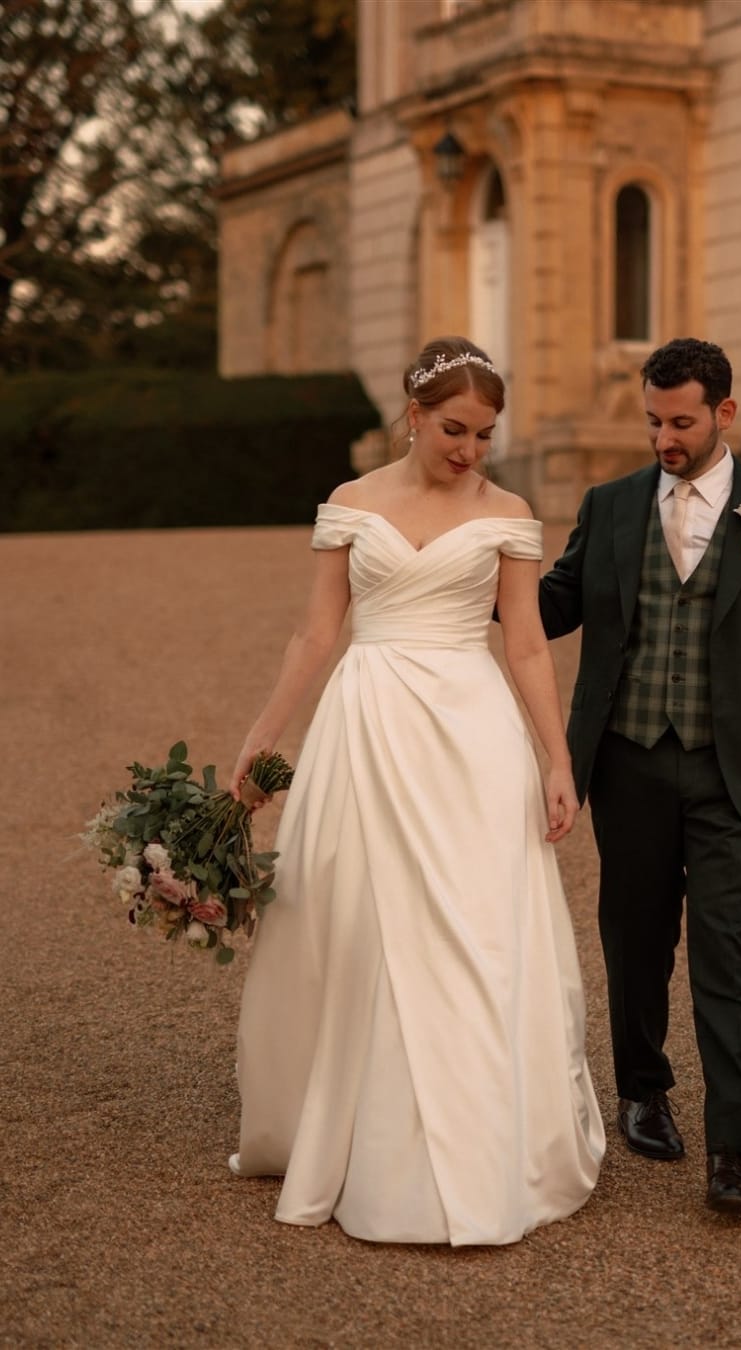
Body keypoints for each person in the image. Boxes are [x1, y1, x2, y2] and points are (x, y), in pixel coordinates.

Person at [226, 336, 604, 1246]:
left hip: (472, 734)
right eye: (453, 429)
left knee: (470, 931)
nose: (469, 449)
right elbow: (316, 636)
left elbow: (522, 646)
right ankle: (358, 1127)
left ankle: (477, 1138)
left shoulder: (509, 513)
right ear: (413, 416)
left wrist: (557, 762)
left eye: (483, 434)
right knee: (355, 922)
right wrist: (261, 739)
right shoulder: (350, 506)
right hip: (367, 724)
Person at [538, 337, 741, 1215]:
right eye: (654, 421)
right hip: (626, 760)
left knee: (725, 951)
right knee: (634, 937)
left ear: (723, 415)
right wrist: (472, 561)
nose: (665, 437)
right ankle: (642, 1089)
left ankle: (731, 1149)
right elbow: (553, 602)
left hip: (733, 770)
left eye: (682, 421)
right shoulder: (613, 505)